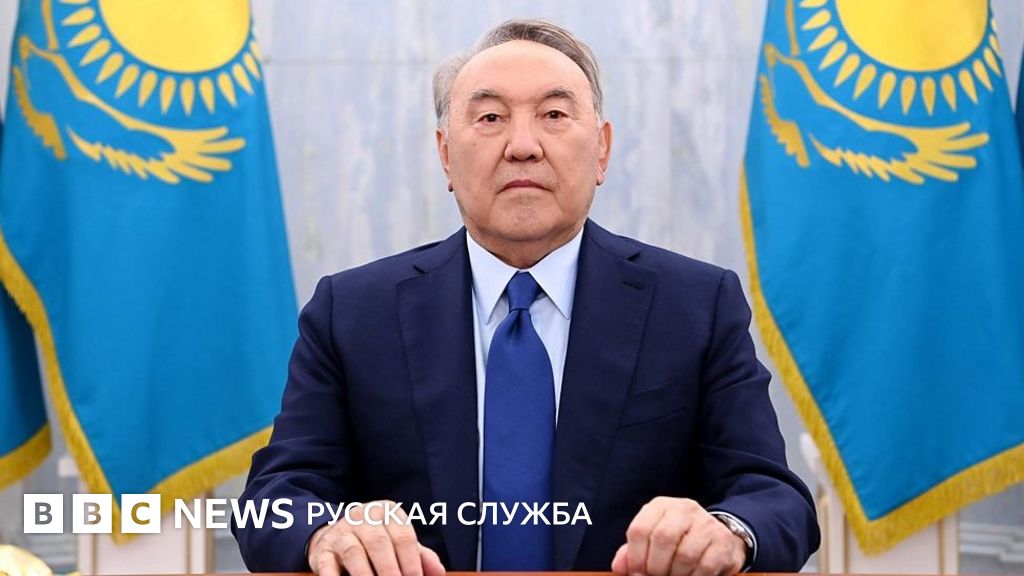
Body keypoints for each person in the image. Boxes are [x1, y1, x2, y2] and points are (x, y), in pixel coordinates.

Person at [232, 18, 820, 576]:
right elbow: (273, 500)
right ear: (445, 154)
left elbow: (774, 498)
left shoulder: (695, 305)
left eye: (554, 115)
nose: (522, 146)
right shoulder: (353, 313)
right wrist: (325, 532)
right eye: (490, 117)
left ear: (602, 150)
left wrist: (725, 531)